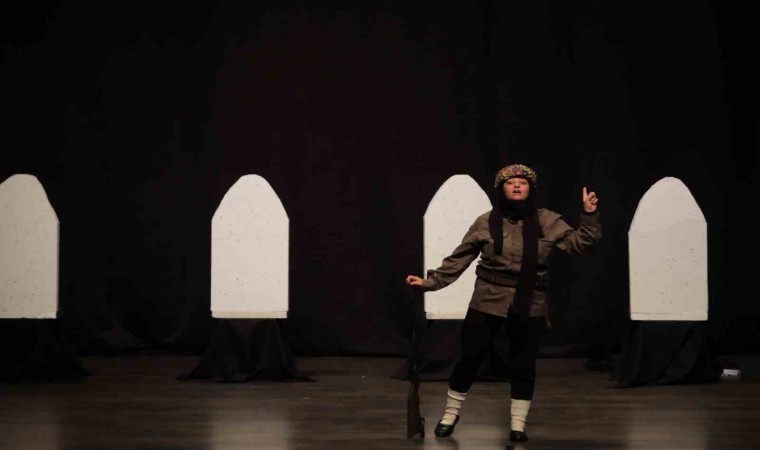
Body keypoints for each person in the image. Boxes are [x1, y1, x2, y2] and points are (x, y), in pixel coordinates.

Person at [405, 164, 601, 442]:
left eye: (523, 182)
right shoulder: (485, 222)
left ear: (531, 189)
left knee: (523, 364)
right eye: (511, 182)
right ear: (502, 189)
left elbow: (580, 244)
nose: (517, 185)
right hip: (488, 299)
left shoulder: (547, 220)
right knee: (470, 359)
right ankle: (450, 414)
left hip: (530, 302)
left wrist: (589, 215)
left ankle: (518, 424)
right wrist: (430, 282)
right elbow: (459, 259)